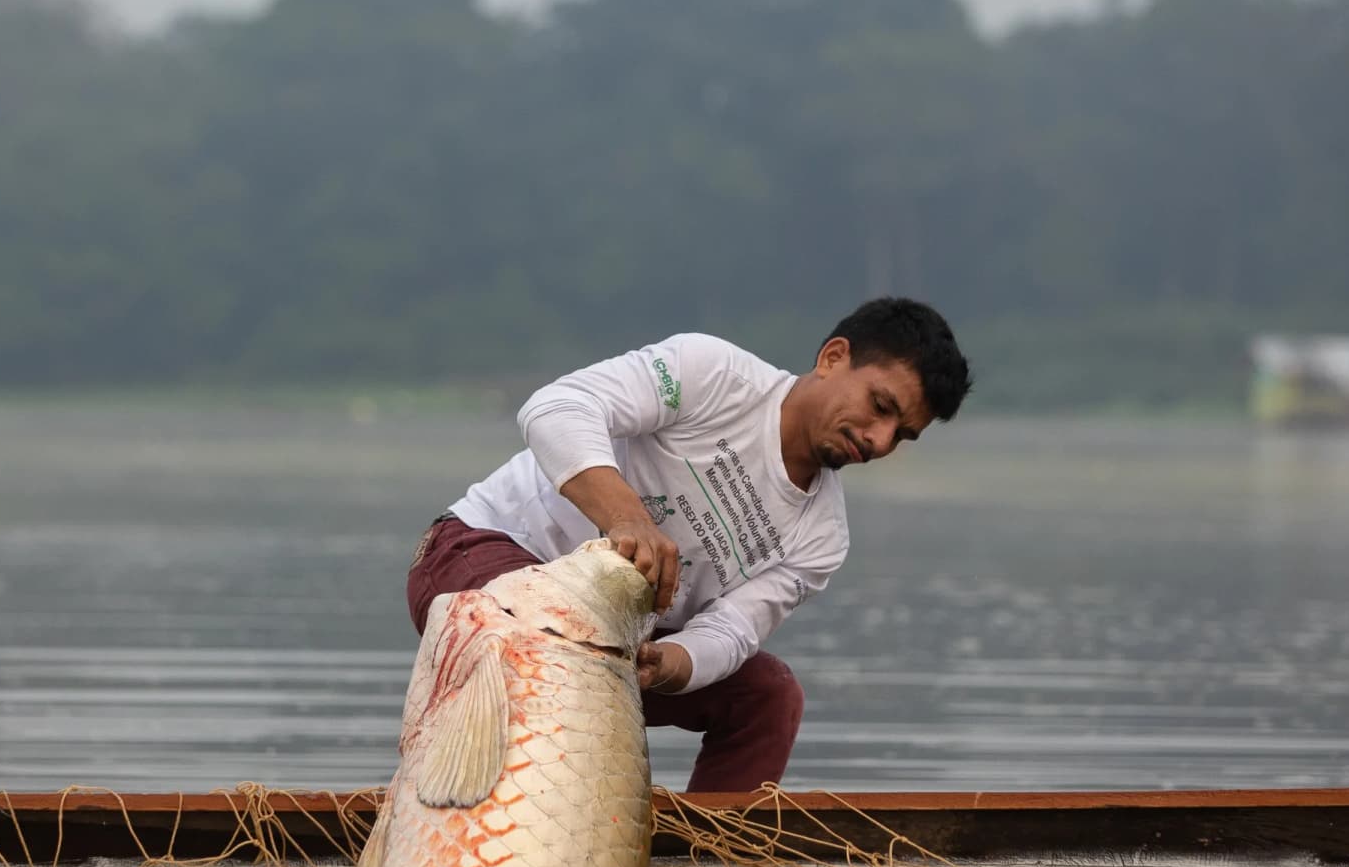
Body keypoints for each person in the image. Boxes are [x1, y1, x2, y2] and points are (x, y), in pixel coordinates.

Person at [405, 296, 973, 792]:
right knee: (557, 643)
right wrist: (627, 520)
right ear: (833, 358)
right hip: (484, 554)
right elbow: (556, 409)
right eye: (881, 406)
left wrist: (671, 663)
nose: (878, 441)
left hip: (609, 646)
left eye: (902, 435)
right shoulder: (714, 374)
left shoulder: (822, 537)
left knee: (768, 695)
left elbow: (732, 631)